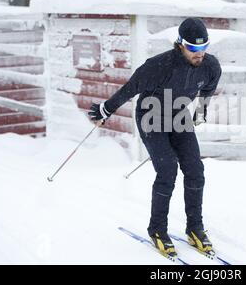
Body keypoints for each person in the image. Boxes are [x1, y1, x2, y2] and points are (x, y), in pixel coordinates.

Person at [88, 18, 222, 258]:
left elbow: (208, 89)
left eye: (203, 48)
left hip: (179, 114)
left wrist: (201, 111)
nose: (199, 54)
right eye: (193, 48)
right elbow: (131, 88)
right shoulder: (159, 66)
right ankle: (157, 230)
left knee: (195, 169)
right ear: (180, 44)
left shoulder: (210, 66)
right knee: (168, 168)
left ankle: (195, 229)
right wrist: (105, 110)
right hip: (151, 116)